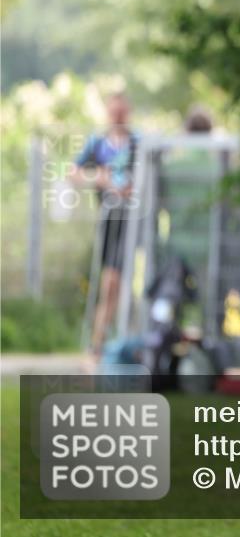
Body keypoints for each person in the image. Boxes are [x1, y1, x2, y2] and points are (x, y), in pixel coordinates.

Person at [69, 91, 139, 366]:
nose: (118, 118)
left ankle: (118, 344)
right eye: (114, 113)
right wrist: (99, 178)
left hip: (135, 222)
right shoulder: (97, 144)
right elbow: (73, 173)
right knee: (111, 284)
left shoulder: (138, 143)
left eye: (122, 113)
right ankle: (99, 346)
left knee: (123, 284)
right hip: (110, 220)